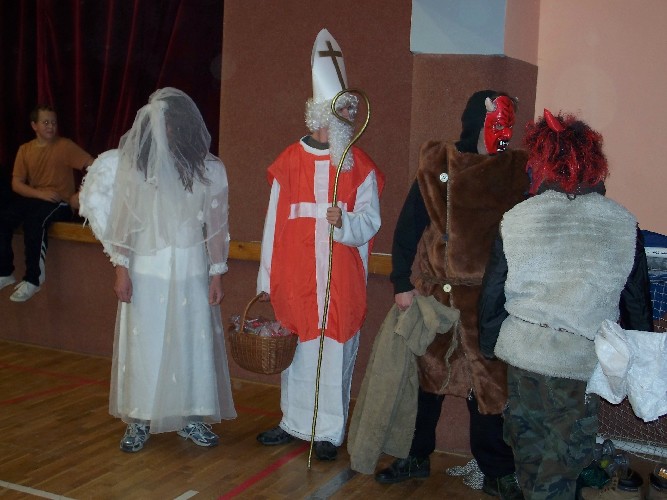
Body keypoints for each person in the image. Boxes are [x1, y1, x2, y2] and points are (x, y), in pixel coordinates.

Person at [478, 109, 653, 499]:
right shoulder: (622, 224)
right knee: (562, 466)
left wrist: (488, 344)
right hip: (579, 364)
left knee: (528, 457)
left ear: (542, 160)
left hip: (524, 358)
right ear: (594, 163)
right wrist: (637, 359)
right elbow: (636, 302)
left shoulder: (516, 219)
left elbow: (493, 293)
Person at [375, 90, 526, 499]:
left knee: (488, 386)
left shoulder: (514, 172)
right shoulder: (439, 164)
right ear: (477, 122)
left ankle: (497, 470)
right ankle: (415, 455)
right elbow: (409, 226)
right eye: (495, 124)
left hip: (489, 300)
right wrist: (401, 283)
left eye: (507, 126)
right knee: (427, 379)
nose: (503, 134)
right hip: (437, 297)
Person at [78, 87, 237, 453]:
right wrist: (121, 269)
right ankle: (139, 418)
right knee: (144, 343)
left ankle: (191, 414)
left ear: (181, 125)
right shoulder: (137, 167)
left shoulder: (210, 169)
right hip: (146, 271)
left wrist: (216, 272)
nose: (160, 129)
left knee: (190, 342)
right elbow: (125, 223)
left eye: (166, 122)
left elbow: (215, 225)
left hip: (190, 269)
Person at [255, 28, 385, 462]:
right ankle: (294, 422)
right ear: (321, 115)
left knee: (333, 351)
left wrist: (344, 223)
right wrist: (266, 278)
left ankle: (328, 431)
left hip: (339, 276)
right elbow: (273, 223)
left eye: (350, 112)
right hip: (296, 275)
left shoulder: (359, 166)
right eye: (341, 111)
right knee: (300, 350)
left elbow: (370, 221)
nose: (348, 119)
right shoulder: (289, 162)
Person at [0, 105, 93, 301]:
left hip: (60, 202)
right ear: (34, 125)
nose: (51, 126)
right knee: (3, 218)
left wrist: (82, 194)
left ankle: (33, 280)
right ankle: (5, 272)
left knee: (34, 221)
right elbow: (16, 184)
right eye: (46, 122)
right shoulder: (25, 149)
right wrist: (39, 194)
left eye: (54, 122)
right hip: (38, 199)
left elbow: (94, 165)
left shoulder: (65, 146)